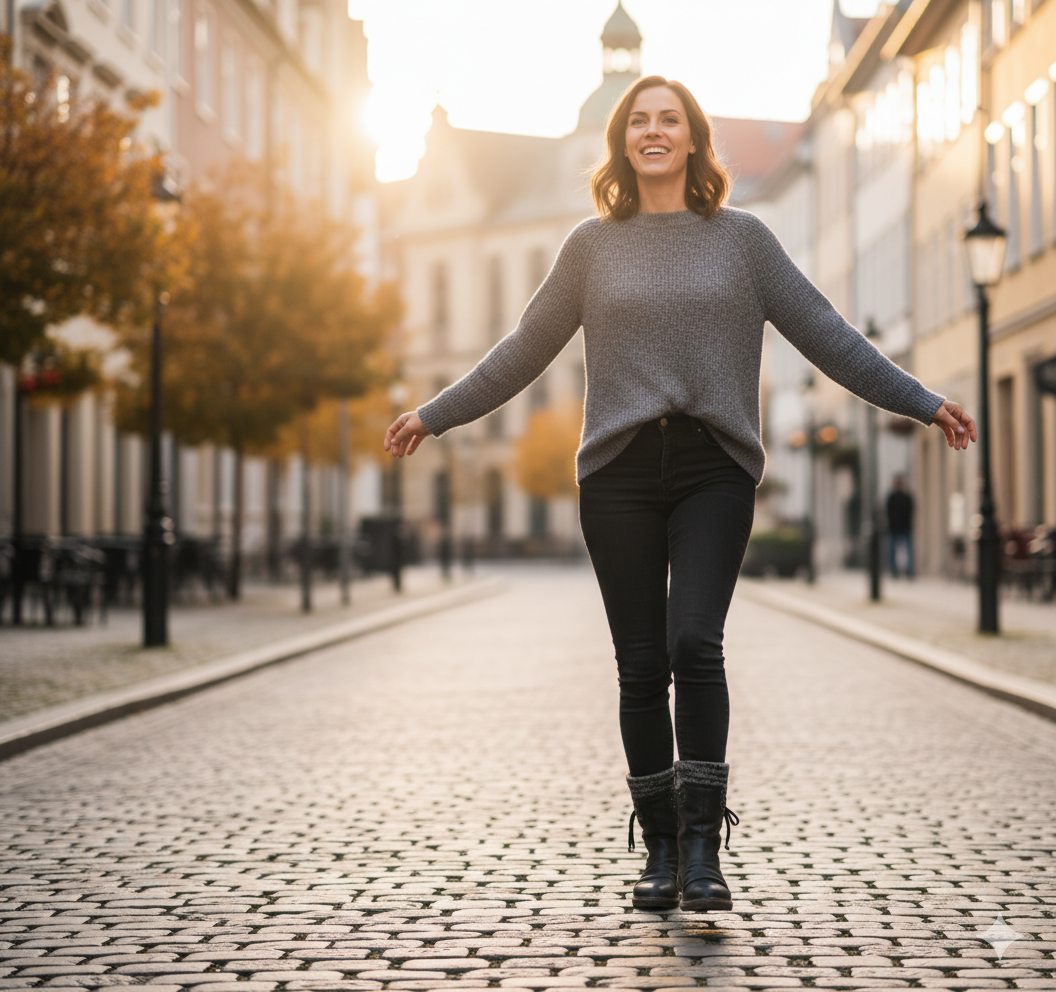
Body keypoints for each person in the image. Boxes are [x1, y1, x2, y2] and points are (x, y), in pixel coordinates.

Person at [384, 76, 976, 913]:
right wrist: (434, 415)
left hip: (713, 468)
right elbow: (524, 349)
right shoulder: (591, 246)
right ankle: (659, 849)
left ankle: (704, 849)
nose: (654, 132)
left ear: (693, 139)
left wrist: (922, 401)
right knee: (638, 664)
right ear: (623, 142)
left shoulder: (744, 241)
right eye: (640, 122)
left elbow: (827, 332)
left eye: (669, 121)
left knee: (696, 641)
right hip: (617, 473)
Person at [886, 475, 915, 578]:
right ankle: (895, 571)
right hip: (896, 527)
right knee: (895, 550)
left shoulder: (906, 497)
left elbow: (911, 511)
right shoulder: (892, 497)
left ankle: (909, 570)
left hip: (904, 526)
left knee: (907, 549)